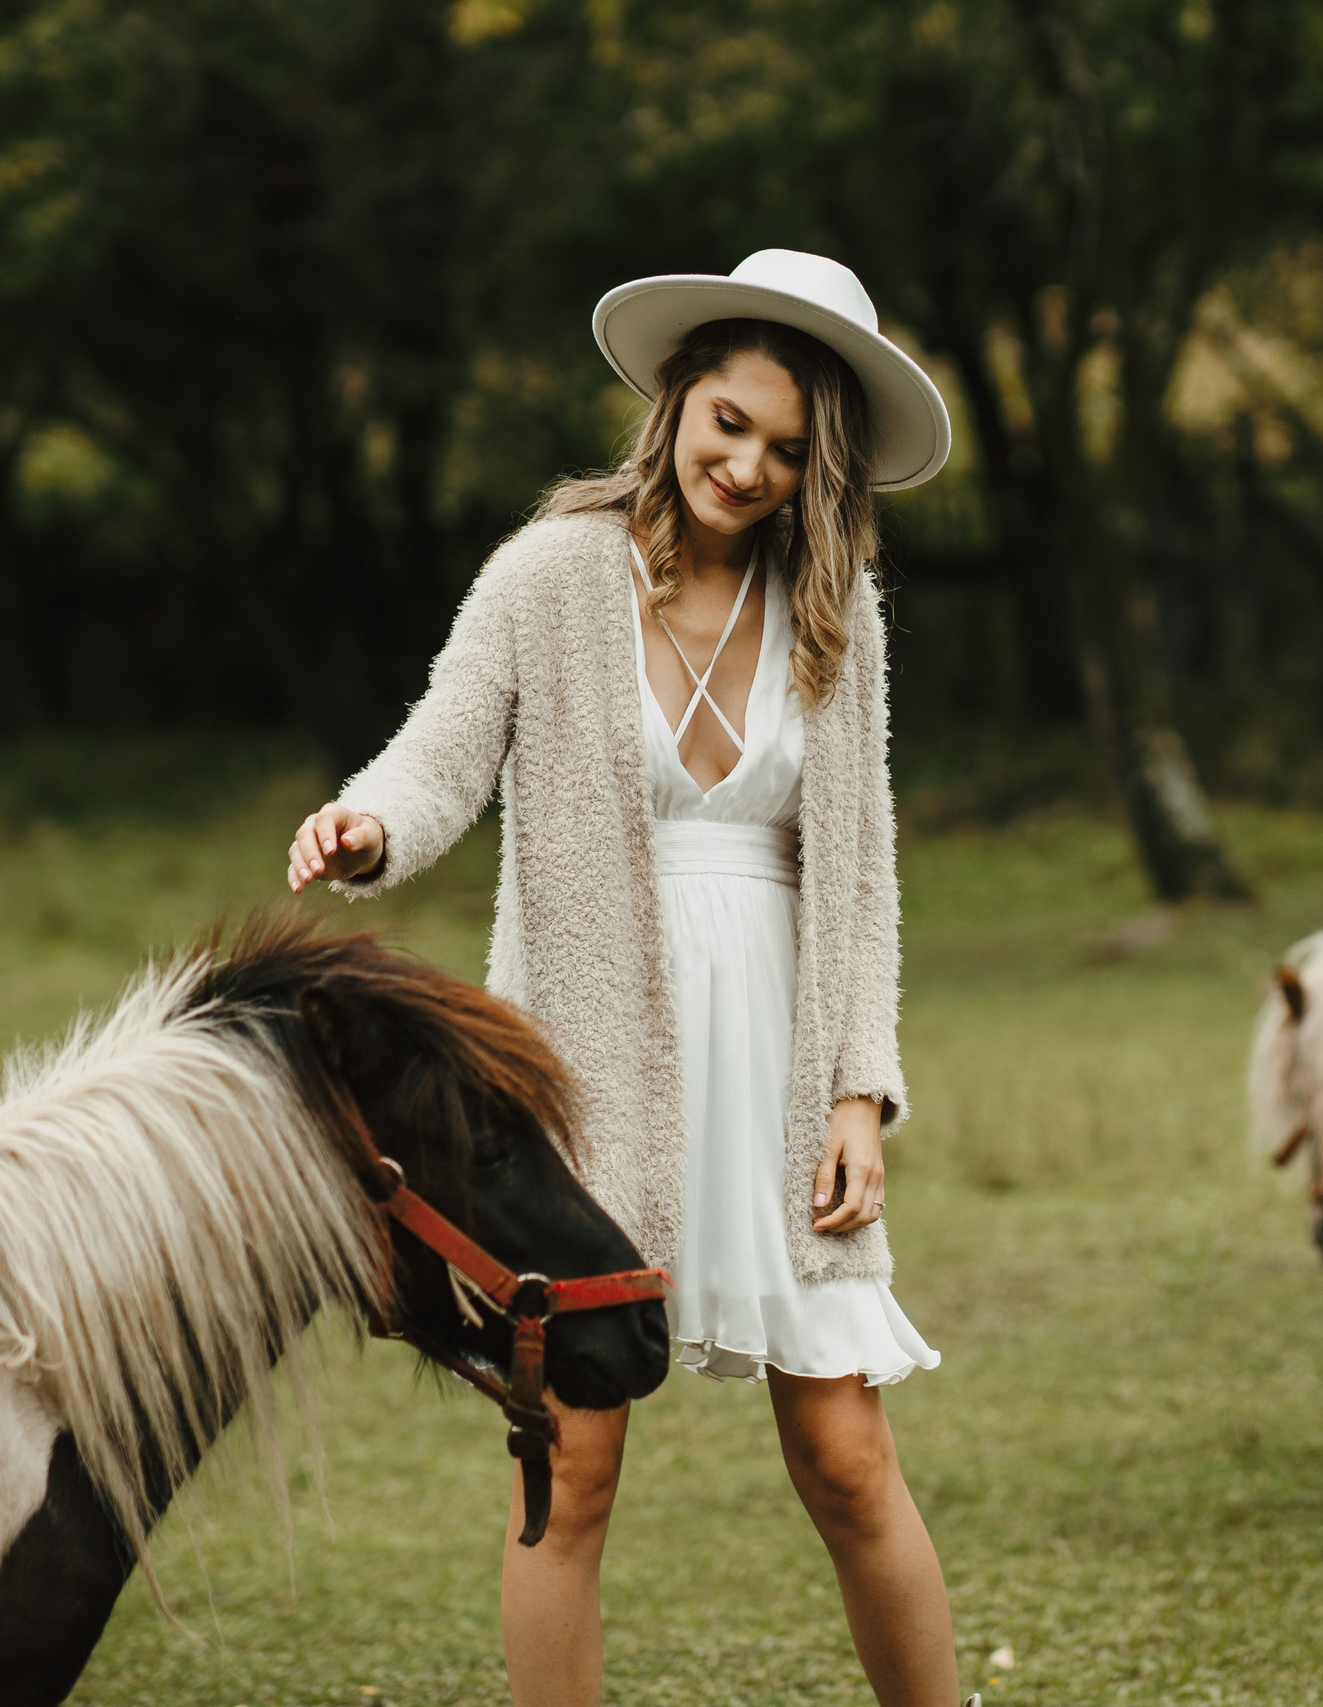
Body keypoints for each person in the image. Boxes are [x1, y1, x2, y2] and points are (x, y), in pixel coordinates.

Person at [286, 250, 970, 1707]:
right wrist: (368, 825)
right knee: (571, 1461)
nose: (750, 466)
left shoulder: (836, 604)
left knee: (847, 1457)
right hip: (591, 1065)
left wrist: (861, 1083)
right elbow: (446, 744)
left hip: (782, 1056)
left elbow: (862, 871)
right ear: (675, 403)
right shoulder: (551, 576)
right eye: (730, 422)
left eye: (789, 450)